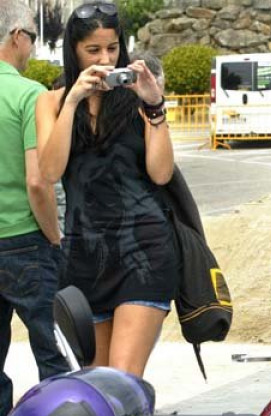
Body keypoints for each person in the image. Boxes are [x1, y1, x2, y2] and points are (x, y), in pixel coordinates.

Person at [35, 1, 175, 378]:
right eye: (93, 50)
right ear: (73, 50)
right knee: (96, 383)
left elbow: (161, 174)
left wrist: (155, 105)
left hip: (143, 250)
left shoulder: (136, 98)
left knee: (124, 377)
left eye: (112, 48)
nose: (105, 59)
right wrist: (74, 99)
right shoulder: (50, 102)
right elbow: (49, 171)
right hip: (85, 255)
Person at [0, 1, 68, 416]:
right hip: (26, 243)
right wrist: (55, 237)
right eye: (32, 39)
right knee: (55, 351)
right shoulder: (30, 95)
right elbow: (38, 181)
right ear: (17, 37)